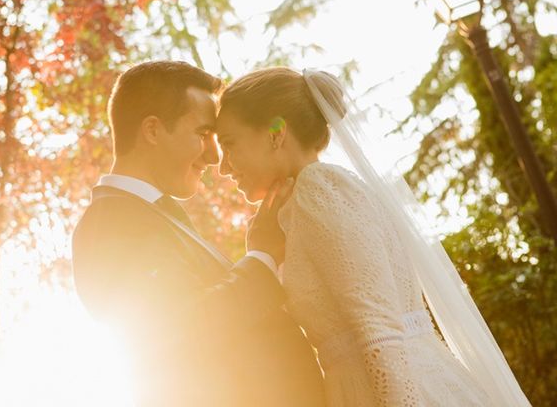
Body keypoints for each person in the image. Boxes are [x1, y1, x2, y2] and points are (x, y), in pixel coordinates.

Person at [216, 67, 531, 406]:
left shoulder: (321, 189)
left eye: (229, 144)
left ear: (276, 134)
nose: (222, 167)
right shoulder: (304, 202)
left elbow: (379, 328)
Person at [71, 61, 325, 407]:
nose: (213, 156)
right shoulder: (111, 223)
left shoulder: (148, 215)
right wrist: (262, 258)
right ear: (153, 131)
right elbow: (179, 329)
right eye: (203, 135)